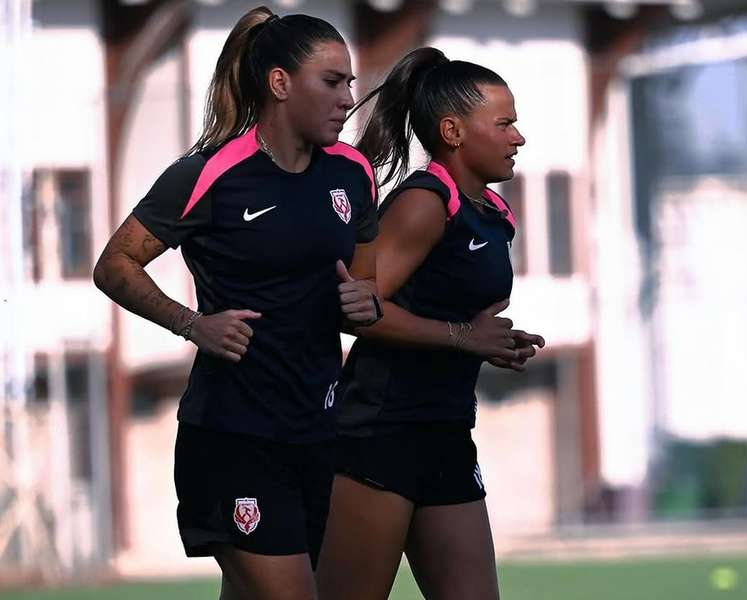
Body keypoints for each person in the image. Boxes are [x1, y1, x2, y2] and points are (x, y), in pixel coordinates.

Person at [93, 7, 380, 600]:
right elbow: (114, 264)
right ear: (279, 83)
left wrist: (365, 304)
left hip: (320, 435)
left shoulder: (353, 174)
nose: (347, 98)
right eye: (332, 82)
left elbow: (367, 286)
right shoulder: (210, 173)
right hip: (234, 437)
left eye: (350, 83)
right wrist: (192, 323)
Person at [315, 47, 545, 600]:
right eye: (505, 124)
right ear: (454, 131)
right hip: (378, 435)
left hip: (446, 434)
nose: (519, 137)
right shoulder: (424, 202)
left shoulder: (492, 214)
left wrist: (492, 343)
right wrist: (463, 338)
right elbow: (358, 311)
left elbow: (454, 315)